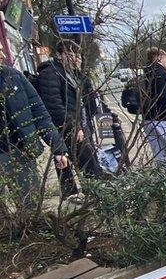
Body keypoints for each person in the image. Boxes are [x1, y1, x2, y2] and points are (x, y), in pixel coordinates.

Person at [35, 39, 105, 198]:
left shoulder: (73, 73)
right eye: (70, 54)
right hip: (65, 128)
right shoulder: (50, 74)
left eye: (77, 54)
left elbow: (86, 98)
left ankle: (85, 194)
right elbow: (54, 106)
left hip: (80, 124)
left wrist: (82, 74)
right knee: (79, 161)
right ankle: (79, 195)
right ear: (59, 55)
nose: (74, 58)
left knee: (85, 160)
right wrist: (74, 127)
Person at [0, 64, 69, 204]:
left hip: (20, 151)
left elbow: (39, 113)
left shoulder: (13, 76)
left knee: (31, 205)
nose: (1, 53)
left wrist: (58, 147)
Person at [141, 47, 166, 164]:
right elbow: (164, 98)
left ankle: (164, 179)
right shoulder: (163, 74)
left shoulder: (145, 74)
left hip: (148, 119)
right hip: (164, 120)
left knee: (160, 156)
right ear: (159, 58)